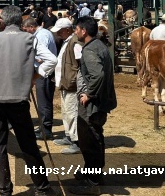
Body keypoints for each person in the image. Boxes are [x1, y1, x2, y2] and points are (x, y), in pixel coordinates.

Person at [0, 5, 58, 196]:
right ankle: (42, 188)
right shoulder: (30, 38)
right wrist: (36, 76)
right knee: (28, 144)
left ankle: (4, 190)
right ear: (20, 21)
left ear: (3, 21)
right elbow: (52, 60)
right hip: (19, 100)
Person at [70, 16, 117, 195]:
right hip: (102, 101)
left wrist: (88, 94)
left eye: (77, 29)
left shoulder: (89, 51)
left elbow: (97, 75)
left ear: (83, 31)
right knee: (95, 137)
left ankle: (92, 182)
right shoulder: (99, 46)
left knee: (89, 139)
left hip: (93, 104)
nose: (75, 32)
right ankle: (92, 171)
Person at [50, 18, 83, 154]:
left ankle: (77, 141)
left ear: (67, 30)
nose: (58, 34)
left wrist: (75, 80)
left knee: (72, 112)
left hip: (71, 84)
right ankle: (69, 135)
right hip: (65, 83)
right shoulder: (68, 41)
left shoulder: (75, 43)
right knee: (66, 111)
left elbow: (81, 63)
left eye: (60, 31)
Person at [22, 18, 58, 141]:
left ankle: (46, 129)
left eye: (26, 30)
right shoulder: (43, 34)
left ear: (32, 27)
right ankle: (43, 126)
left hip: (44, 73)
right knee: (43, 101)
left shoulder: (41, 36)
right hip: (44, 72)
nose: (26, 33)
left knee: (44, 102)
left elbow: (43, 56)